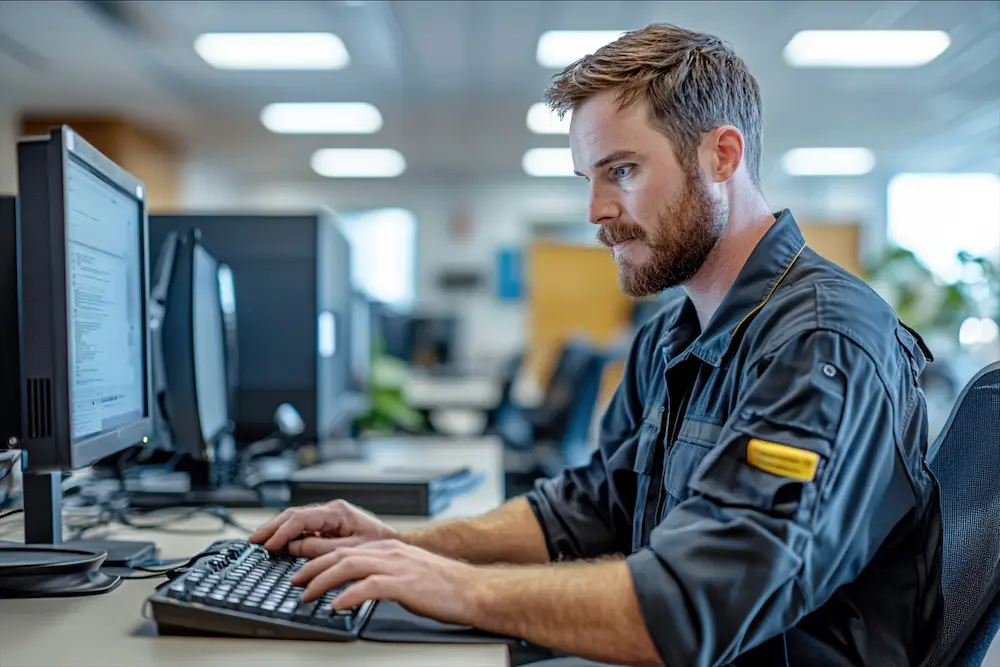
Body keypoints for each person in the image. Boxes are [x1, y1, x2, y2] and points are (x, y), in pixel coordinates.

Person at [250, 22, 943, 667]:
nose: (596, 213)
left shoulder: (822, 342)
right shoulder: (672, 336)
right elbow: (589, 507)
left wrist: (455, 584)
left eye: (623, 171)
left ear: (721, 155)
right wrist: (401, 543)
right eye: (590, 179)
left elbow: (701, 599)